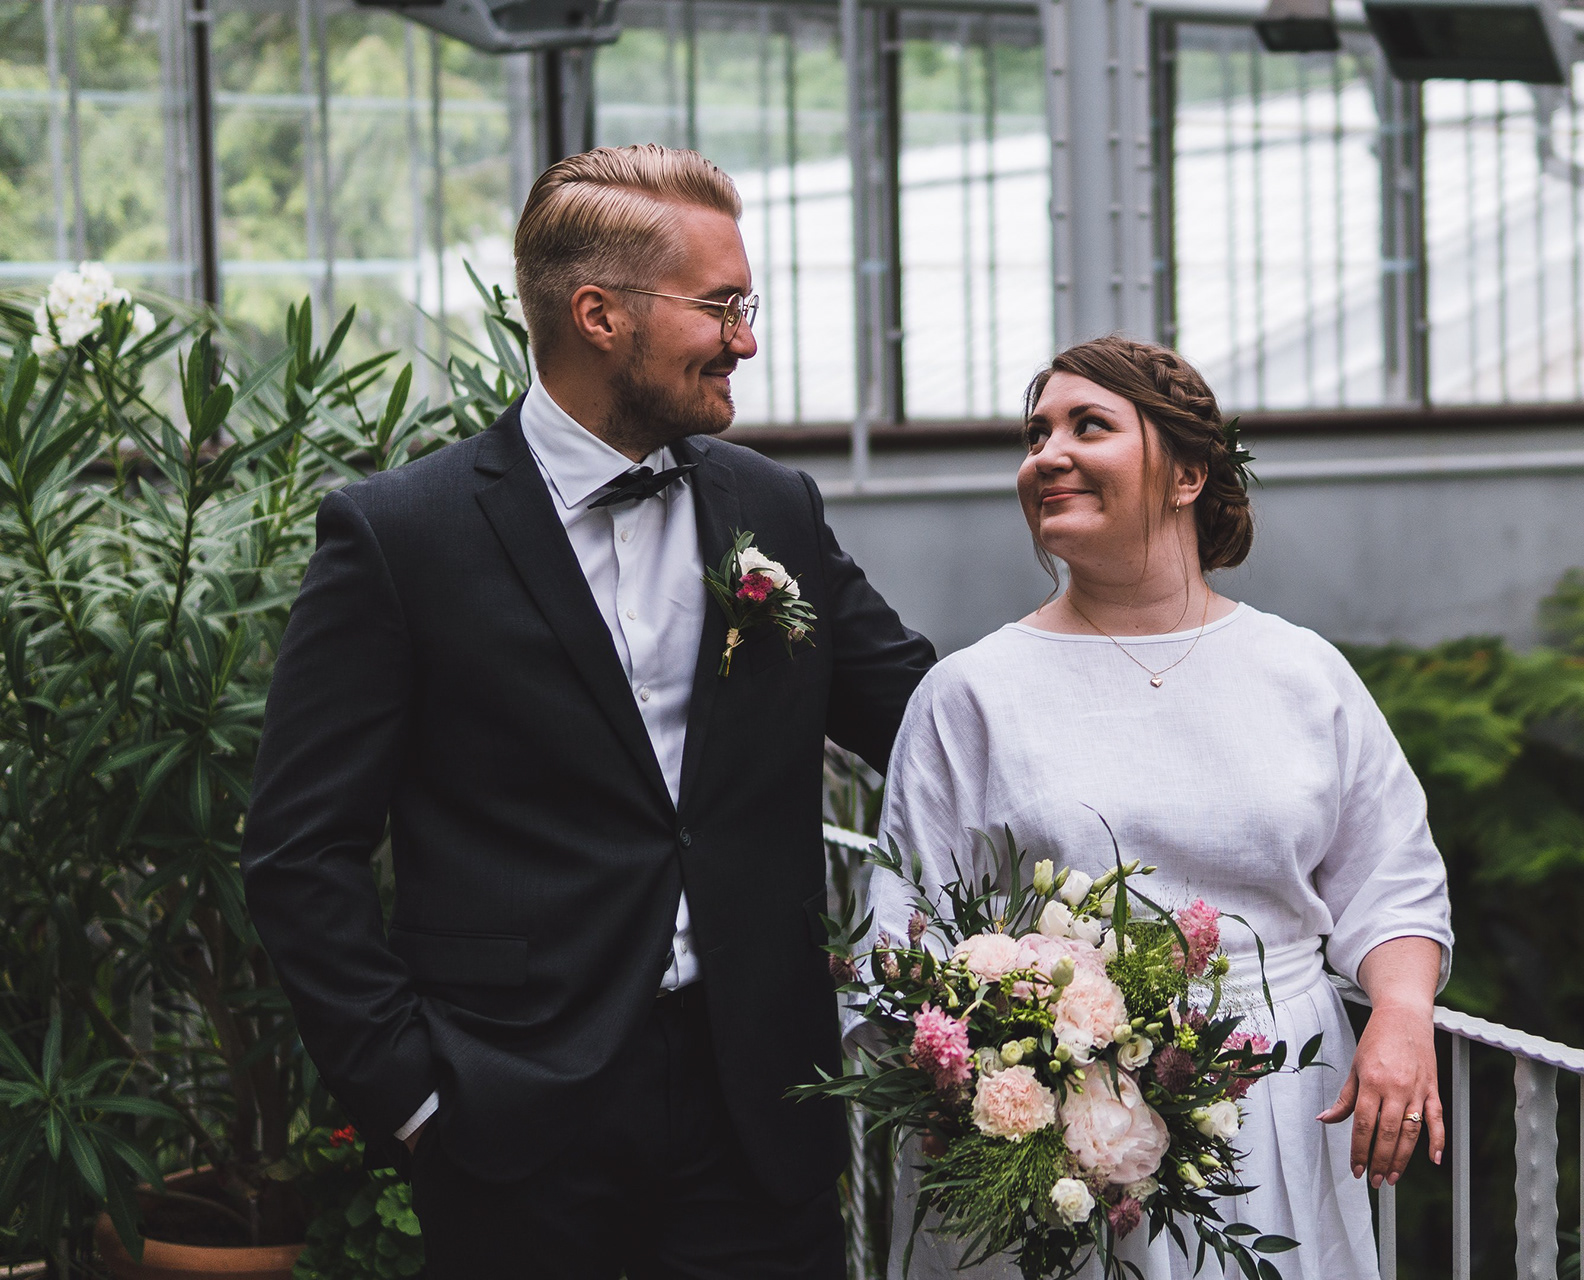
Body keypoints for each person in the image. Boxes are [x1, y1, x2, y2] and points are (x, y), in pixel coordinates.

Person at [241, 144, 935, 1280]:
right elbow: (298, 850)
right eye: (721, 306)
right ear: (601, 315)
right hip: (512, 1122)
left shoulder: (774, 507)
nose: (746, 340)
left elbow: (925, 717)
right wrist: (414, 1097)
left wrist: (1122, 623)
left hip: (756, 1108)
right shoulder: (399, 536)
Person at [867, 335, 1452, 1279]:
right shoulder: (969, 693)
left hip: (1275, 1105)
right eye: (1036, 434)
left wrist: (1403, 1013)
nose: (1047, 455)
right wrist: (996, 1075)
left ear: (1187, 474)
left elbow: (1391, 879)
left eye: (1088, 426)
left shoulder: (1303, 673)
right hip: (1043, 1135)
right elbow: (902, 927)